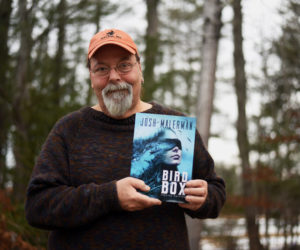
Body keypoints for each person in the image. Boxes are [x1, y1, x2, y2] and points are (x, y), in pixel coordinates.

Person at [25, 28, 226, 250]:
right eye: (101, 68)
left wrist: (204, 198)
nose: (114, 77)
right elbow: (37, 207)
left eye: (124, 65)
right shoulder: (70, 129)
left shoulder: (174, 125)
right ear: (91, 78)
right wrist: (110, 196)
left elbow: (215, 191)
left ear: (139, 69)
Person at [131, 128, 184, 200]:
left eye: (178, 144)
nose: (176, 149)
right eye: (169, 143)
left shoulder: (184, 185)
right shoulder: (136, 177)